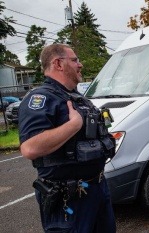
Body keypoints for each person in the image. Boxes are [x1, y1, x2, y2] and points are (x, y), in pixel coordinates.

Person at [18, 44, 116, 232]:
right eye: (75, 60)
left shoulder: (78, 98)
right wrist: (73, 125)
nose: (80, 64)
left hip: (96, 189)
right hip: (69, 198)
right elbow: (30, 148)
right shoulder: (41, 98)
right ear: (58, 63)